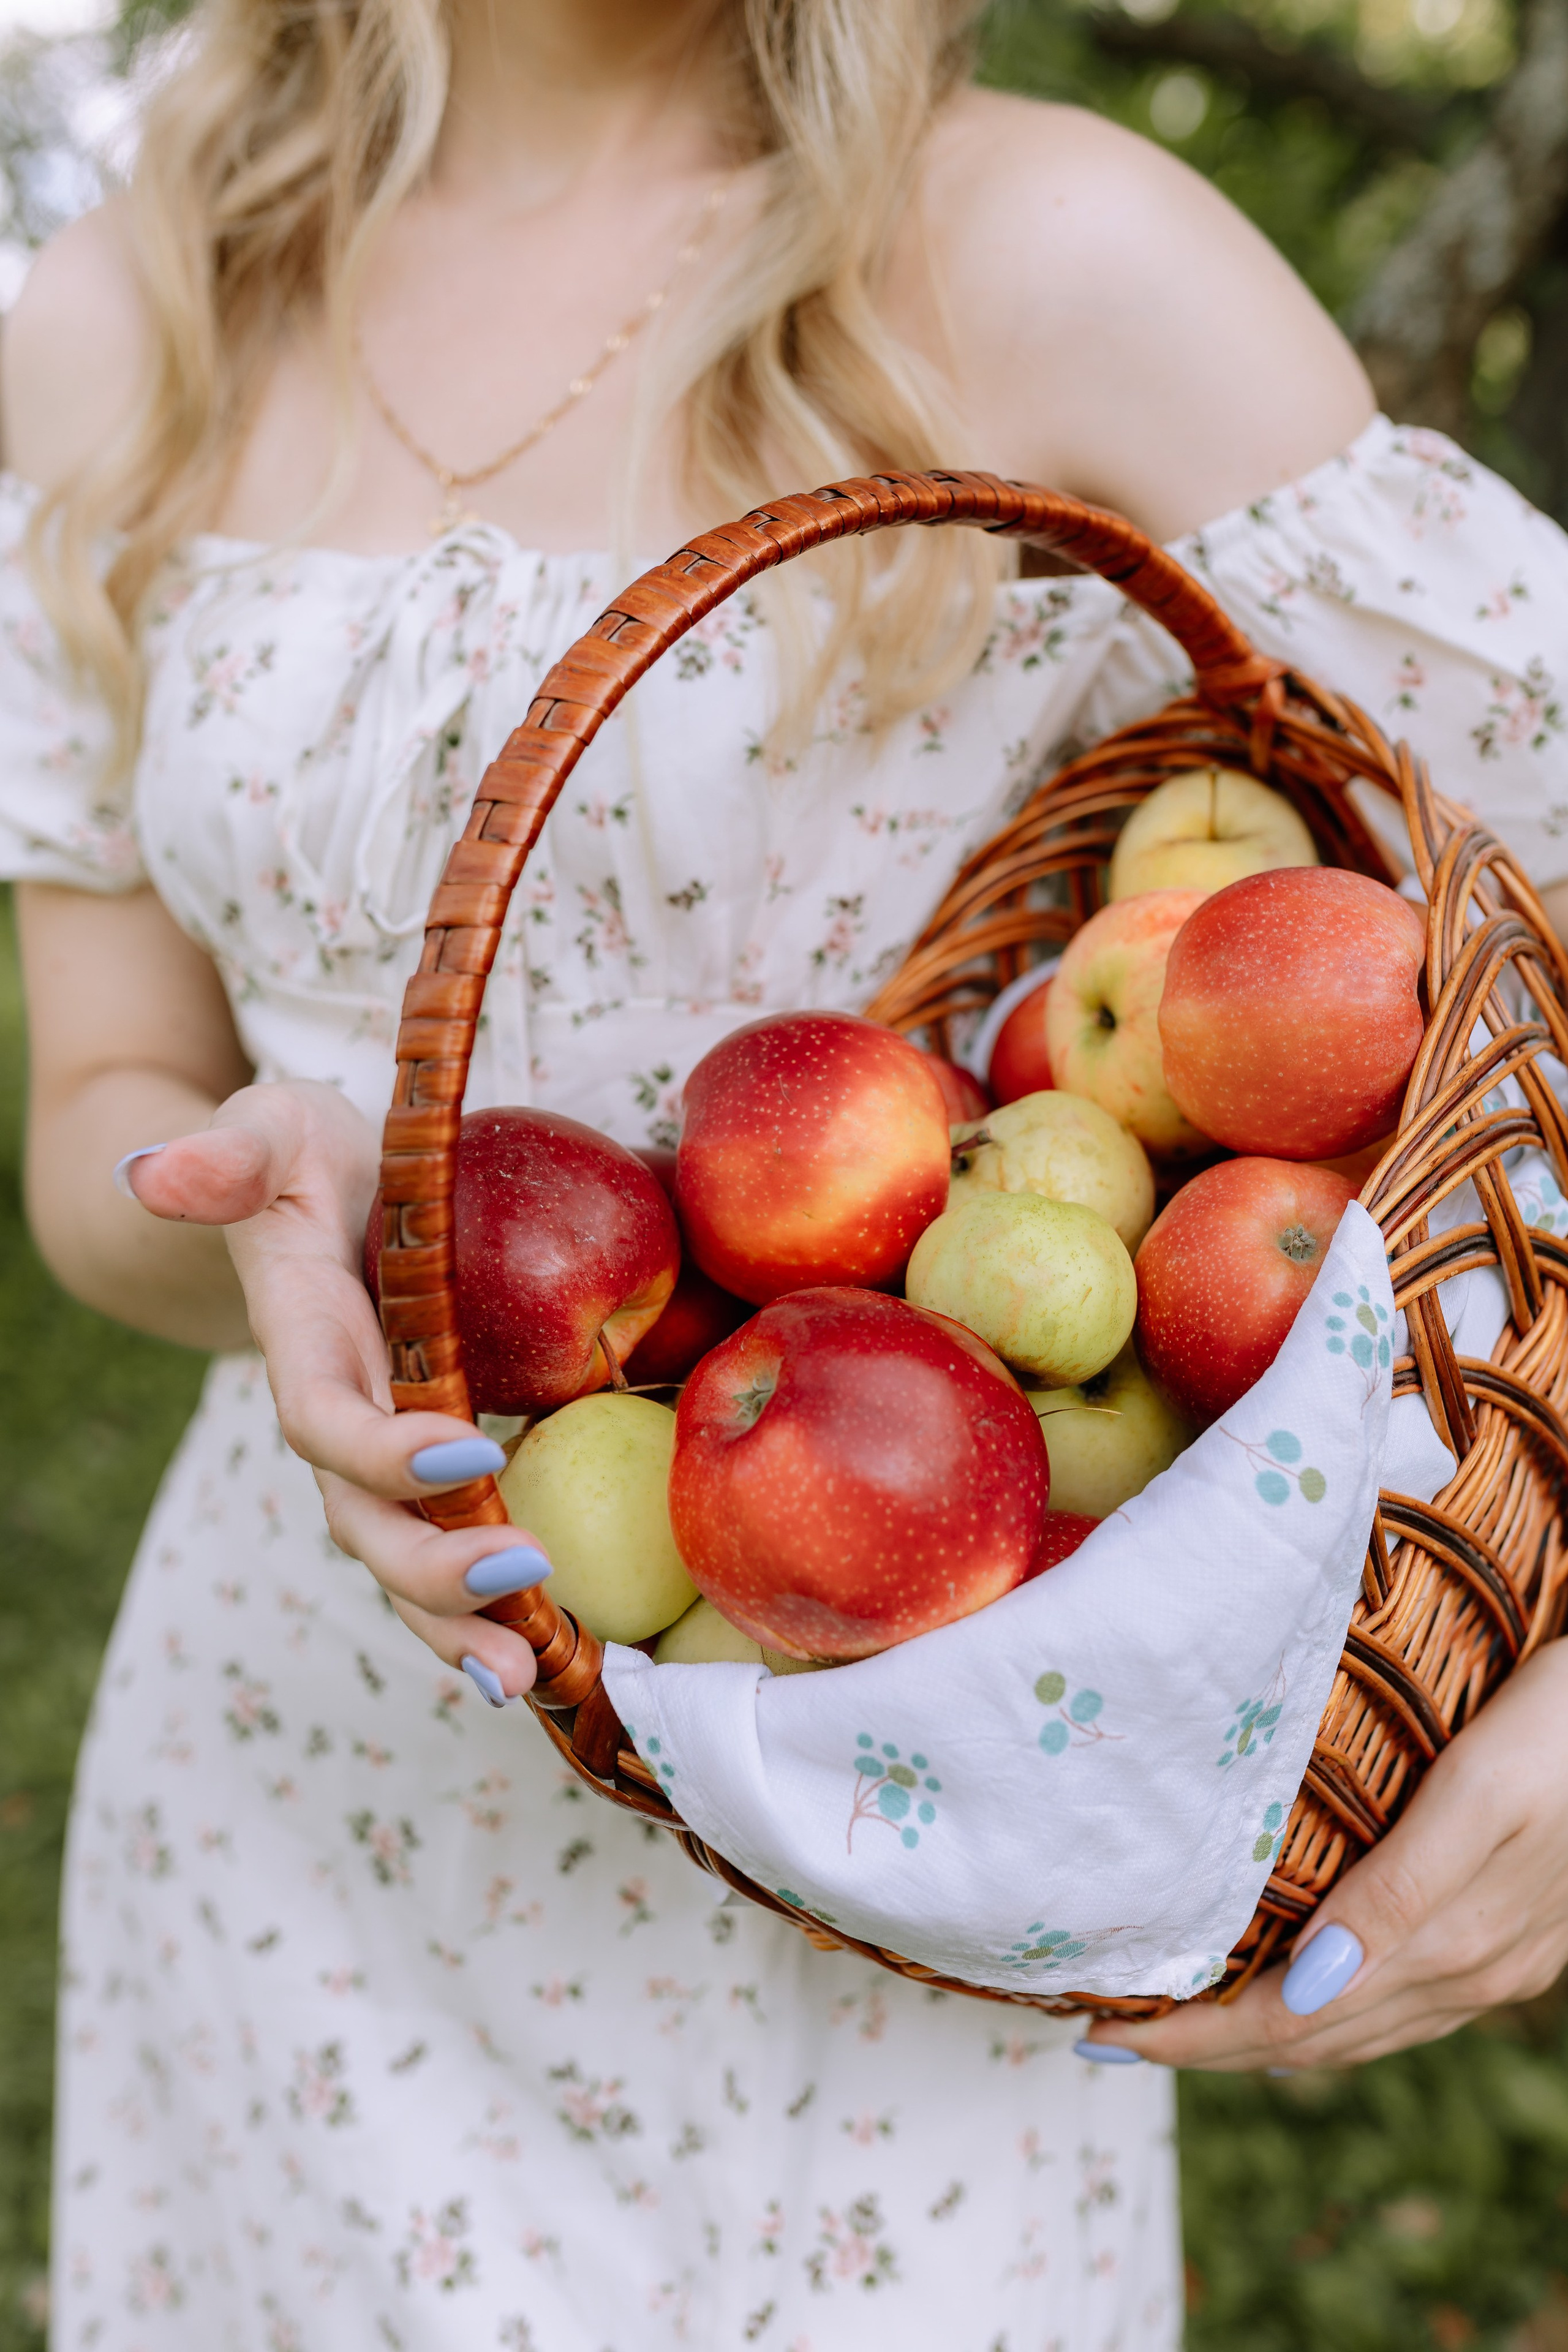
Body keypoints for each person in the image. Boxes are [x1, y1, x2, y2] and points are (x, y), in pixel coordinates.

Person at [6, 0, 1568, 2342]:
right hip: (307, 1772)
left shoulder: (1052, 256)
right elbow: (102, 1085)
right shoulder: (132, 302)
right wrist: (260, 1230)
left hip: (902, 1788)